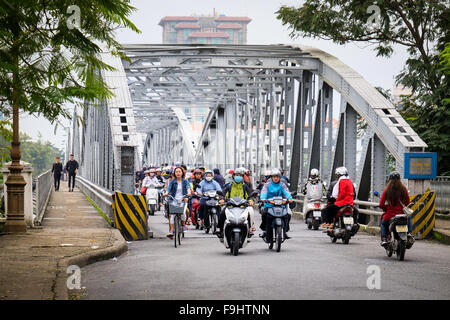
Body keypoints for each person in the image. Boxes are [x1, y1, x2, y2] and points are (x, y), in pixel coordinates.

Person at [216, 168, 256, 239]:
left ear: (243, 177)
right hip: (230, 206)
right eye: (237, 175)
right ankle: (220, 230)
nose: (238, 177)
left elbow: (250, 195)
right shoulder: (229, 186)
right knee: (222, 213)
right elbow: (222, 194)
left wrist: (251, 200)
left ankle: (249, 229)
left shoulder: (245, 186)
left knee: (249, 213)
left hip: (242, 206)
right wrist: (221, 199)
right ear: (233, 176)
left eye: (240, 175)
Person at [379, 171, 414, 247]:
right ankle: (409, 234)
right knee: (409, 218)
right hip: (402, 213)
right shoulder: (403, 189)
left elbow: (381, 204)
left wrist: (386, 209)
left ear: (389, 179)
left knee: (383, 223)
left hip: (390, 214)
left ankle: (384, 239)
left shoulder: (387, 190)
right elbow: (408, 202)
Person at [259, 169, 293, 241]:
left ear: (280, 177)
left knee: (287, 215)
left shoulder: (282, 185)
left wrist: (290, 198)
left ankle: (285, 231)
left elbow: (286, 192)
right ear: (271, 177)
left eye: (277, 176)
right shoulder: (267, 185)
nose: (276, 178)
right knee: (265, 215)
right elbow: (264, 192)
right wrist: (263, 198)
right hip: (269, 204)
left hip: (280, 205)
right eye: (274, 176)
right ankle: (265, 231)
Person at [321, 167, 356, 232]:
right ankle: (355, 223)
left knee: (327, 209)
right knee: (355, 211)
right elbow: (353, 194)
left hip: (342, 203)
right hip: (350, 203)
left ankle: (329, 225)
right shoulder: (349, 181)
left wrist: (337, 200)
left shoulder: (341, 181)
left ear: (339, 174)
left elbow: (341, 194)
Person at [163, 166, 191, 238]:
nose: (178, 173)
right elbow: (168, 188)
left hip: (182, 199)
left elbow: (188, 188)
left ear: (182, 173)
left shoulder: (185, 181)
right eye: (176, 172)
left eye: (179, 171)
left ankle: (183, 224)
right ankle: (171, 231)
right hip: (173, 200)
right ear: (174, 173)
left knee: (184, 213)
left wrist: (188, 193)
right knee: (172, 215)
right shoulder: (172, 182)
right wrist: (166, 193)